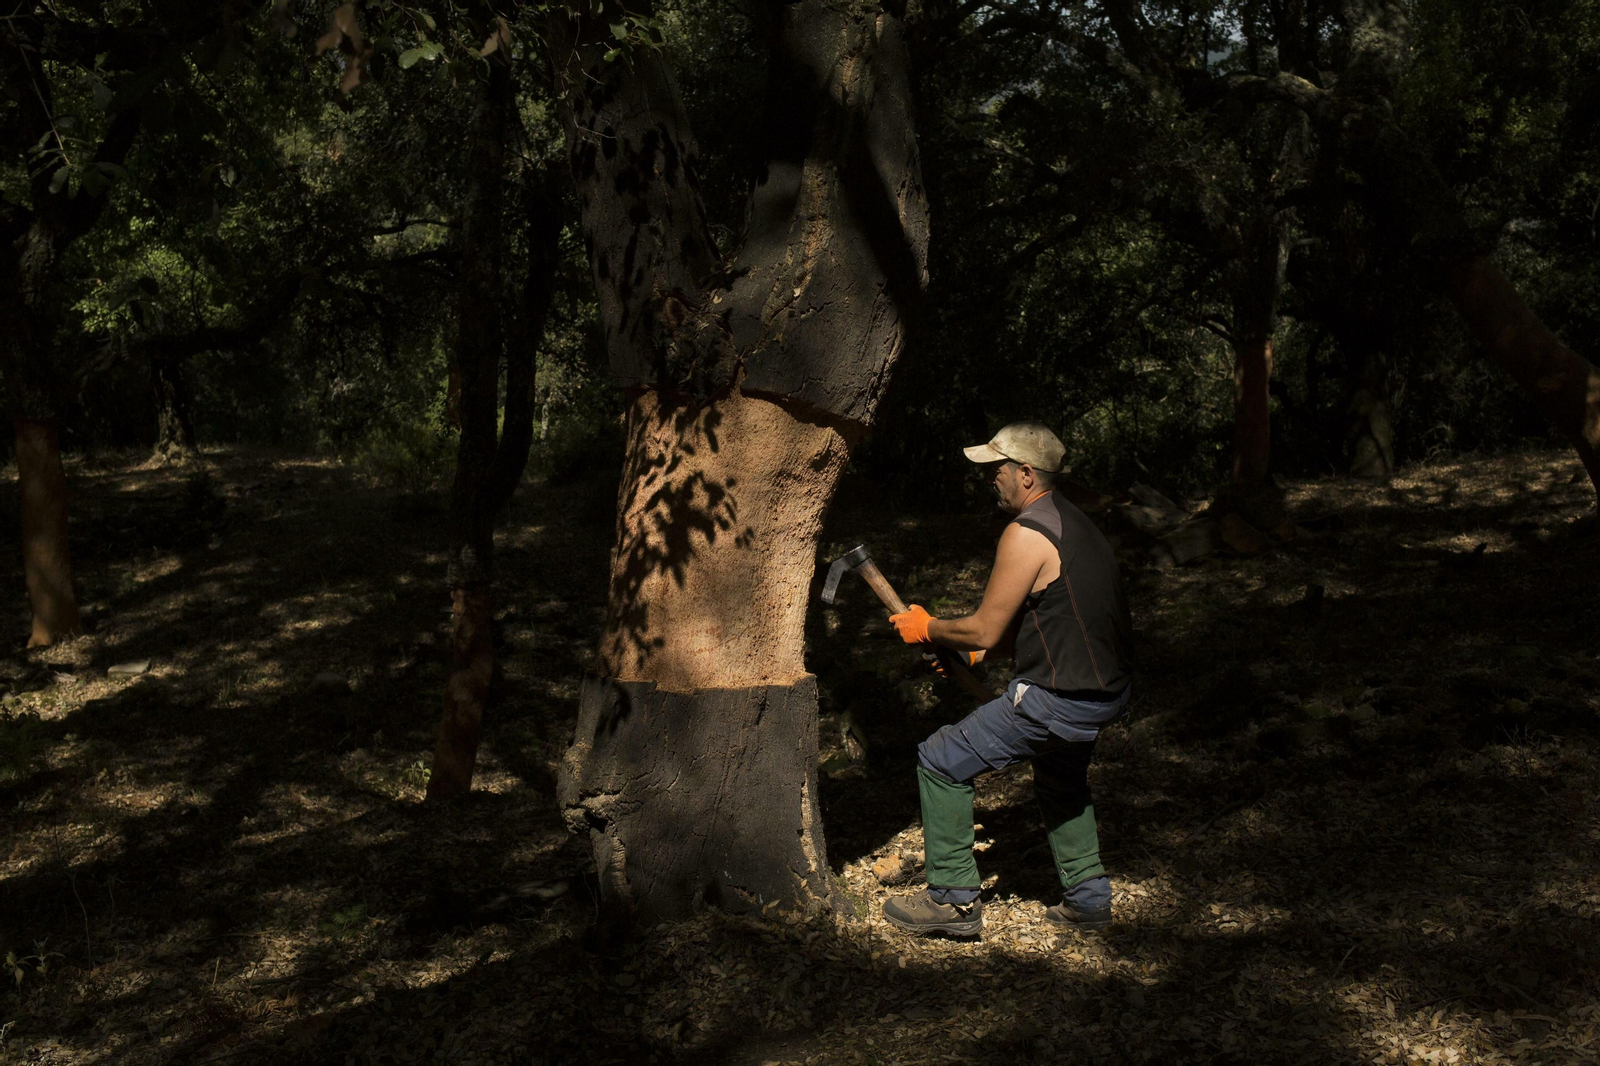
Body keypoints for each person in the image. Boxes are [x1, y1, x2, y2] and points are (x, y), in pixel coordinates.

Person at [882, 421, 1134, 938]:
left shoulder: (1027, 533)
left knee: (940, 759)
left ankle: (952, 904)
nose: (991, 478)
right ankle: (1088, 901)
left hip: (1058, 699)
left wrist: (926, 627)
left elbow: (984, 625)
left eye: (997, 469)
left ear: (1024, 473)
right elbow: (1043, 615)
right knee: (1061, 778)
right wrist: (977, 657)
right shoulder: (1074, 523)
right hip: (1103, 693)